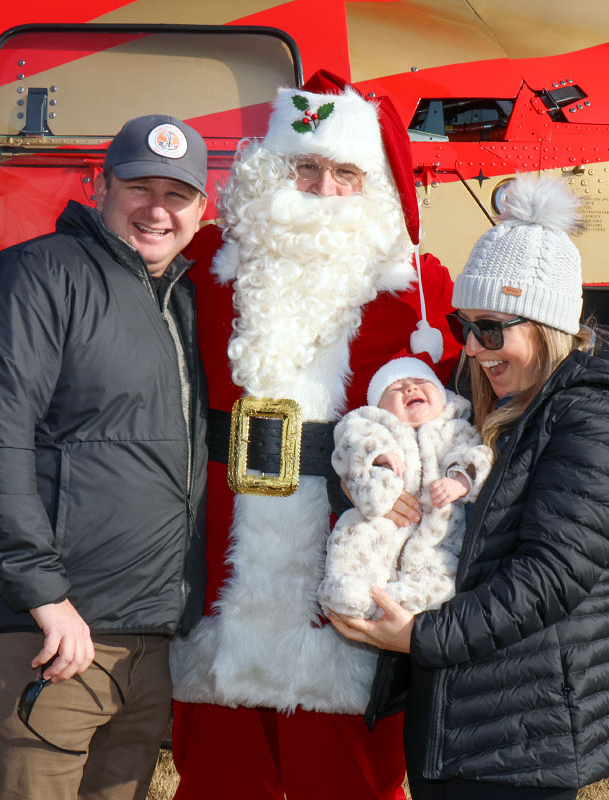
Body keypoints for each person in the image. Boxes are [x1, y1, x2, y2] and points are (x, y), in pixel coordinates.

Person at [168, 71, 460, 800]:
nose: (323, 190)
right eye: (305, 167)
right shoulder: (207, 266)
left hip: (347, 564)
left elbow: (449, 422)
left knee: (345, 778)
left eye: (346, 173)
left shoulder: (418, 290)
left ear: (376, 186)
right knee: (218, 776)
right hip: (219, 563)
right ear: (273, 169)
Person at [331, 174, 609, 799]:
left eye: (492, 329)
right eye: (464, 326)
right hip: (464, 719)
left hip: (523, 733)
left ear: (545, 324)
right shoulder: (491, 405)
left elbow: (552, 575)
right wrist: (371, 484)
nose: (474, 348)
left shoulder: (593, 419)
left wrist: (422, 637)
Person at [0, 114, 210, 800]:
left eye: (177, 194)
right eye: (139, 187)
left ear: (201, 209)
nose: (157, 209)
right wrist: (46, 598)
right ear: (100, 186)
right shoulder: (33, 276)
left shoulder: (179, 300)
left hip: (148, 640)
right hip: (51, 636)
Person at [318, 356, 492, 619]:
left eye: (421, 381)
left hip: (438, 535)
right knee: (354, 533)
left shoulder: (456, 428)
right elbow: (352, 439)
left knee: (444, 570)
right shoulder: (376, 425)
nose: (410, 388)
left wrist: (460, 481)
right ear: (379, 406)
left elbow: (480, 455)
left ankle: (411, 604)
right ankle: (350, 589)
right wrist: (379, 454)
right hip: (380, 520)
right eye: (395, 388)